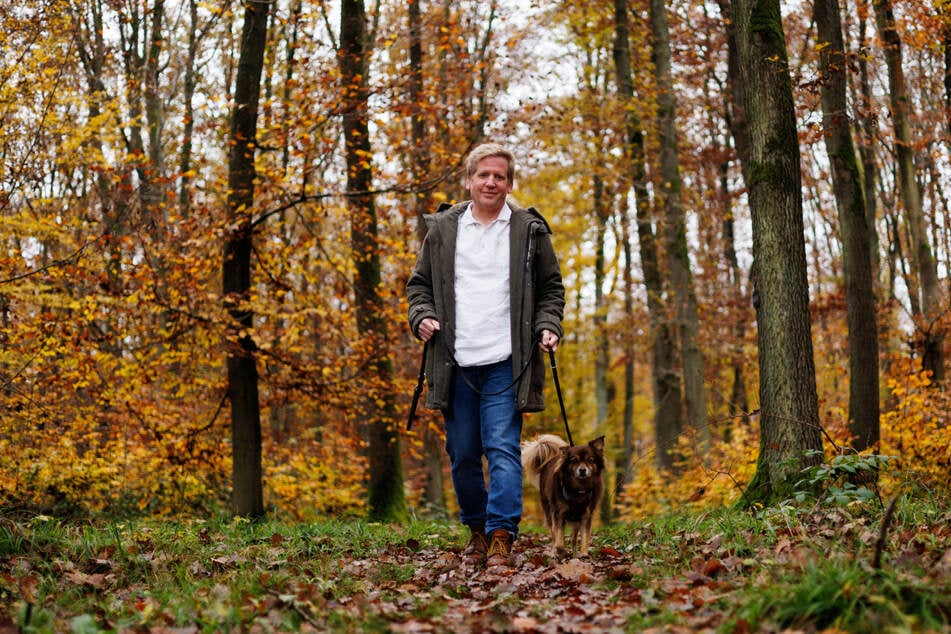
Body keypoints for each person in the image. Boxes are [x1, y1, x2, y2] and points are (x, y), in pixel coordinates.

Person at [406, 143, 565, 568]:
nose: (491, 182)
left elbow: (551, 289)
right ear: (469, 180)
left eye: (499, 176)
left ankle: (500, 536)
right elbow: (418, 286)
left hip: (507, 362)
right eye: (483, 175)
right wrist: (421, 316)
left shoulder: (530, 231)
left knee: (502, 448)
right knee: (461, 453)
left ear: (510, 183)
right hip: (454, 361)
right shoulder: (442, 230)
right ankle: (476, 531)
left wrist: (549, 325)